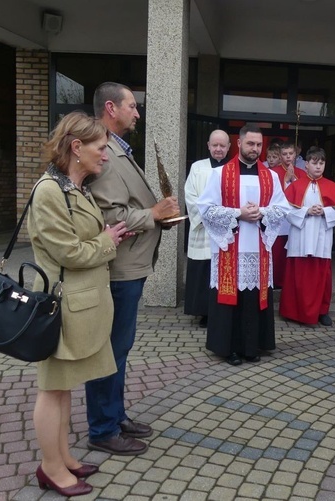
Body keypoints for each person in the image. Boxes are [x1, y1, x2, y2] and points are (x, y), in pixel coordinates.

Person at [27, 112, 132, 497]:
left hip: (82, 305)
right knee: (52, 388)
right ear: (76, 148)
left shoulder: (74, 186)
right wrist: (107, 241)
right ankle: (51, 468)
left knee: (64, 387)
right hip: (64, 306)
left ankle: (64, 457)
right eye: (100, 148)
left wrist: (107, 235)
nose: (105, 156)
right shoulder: (49, 191)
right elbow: (68, 252)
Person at [86, 82, 180, 455]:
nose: (137, 113)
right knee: (110, 349)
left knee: (119, 348)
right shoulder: (104, 152)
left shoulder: (118, 149)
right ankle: (102, 428)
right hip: (119, 269)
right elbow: (111, 215)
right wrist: (153, 215)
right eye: (132, 107)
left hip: (131, 267)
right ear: (111, 108)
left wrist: (159, 219)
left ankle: (115, 415)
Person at [197, 124, 291, 365]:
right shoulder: (220, 175)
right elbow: (206, 209)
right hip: (231, 248)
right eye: (250, 143)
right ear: (238, 143)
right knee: (233, 300)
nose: (255, 149)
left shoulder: (270, 176)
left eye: (259, 144)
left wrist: (261, 213)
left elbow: (282, 208)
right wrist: (238, 213)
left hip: (257, 249)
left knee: (252, 300)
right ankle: (230, 348)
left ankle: (252, 346)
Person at [280, 146, 335, 326]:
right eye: (314, 163)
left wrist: (324, 212)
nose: (318, 167)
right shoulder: (296, 185)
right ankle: (293, 311)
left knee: (321, 277)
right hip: (300, 237)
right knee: (298, 276)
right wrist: (306, 211)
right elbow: (285, 210)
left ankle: (322, 311)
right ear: (306, 164)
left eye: (322, 163)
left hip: (321, 238)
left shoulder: (331, 186)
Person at [184, 129, 230, 328]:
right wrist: (209, 217)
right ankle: (204, 312)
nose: (218, 149)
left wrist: (224, 218)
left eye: (222, 146)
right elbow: (190, 196)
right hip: (203, 230)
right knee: (204, 271)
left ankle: (224, 310)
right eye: (215, 145)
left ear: (229, 147)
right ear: (208, 146)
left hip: (225, 231)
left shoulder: (233, 168)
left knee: (223, 271)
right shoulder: (197, 168)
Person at [269, 142, 306, 289]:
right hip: (280, 219)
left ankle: (291, 281)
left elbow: (304, 195)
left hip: (295, 217)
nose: (288, 157)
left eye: (290, 153)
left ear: (295, 154)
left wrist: (294, 180)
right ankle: (277, 280)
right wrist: (285, 180)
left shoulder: (302, 173)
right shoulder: (273, 173)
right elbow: (272, 196)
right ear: (280, 156)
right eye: (284, 154)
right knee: (278, 252)